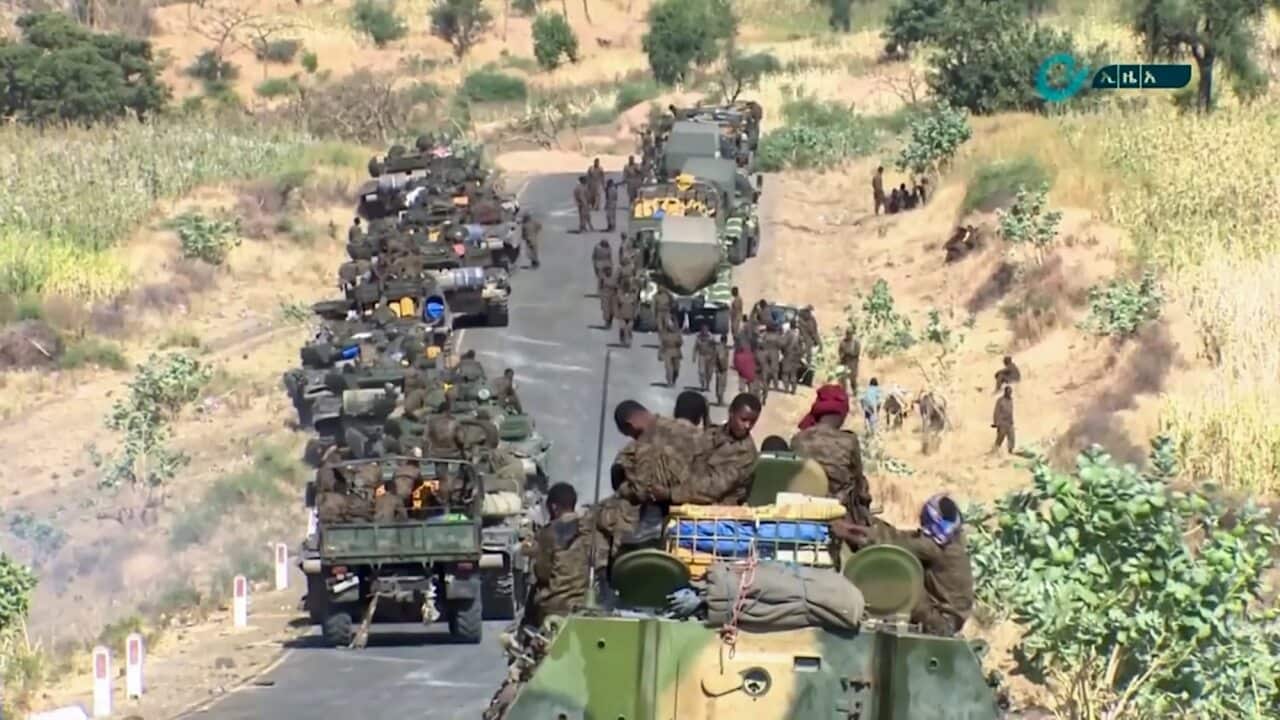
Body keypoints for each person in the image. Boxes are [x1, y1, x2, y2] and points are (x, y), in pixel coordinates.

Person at [831, 494, 974, 637]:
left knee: (896, 571)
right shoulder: (949, 543)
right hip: (945, 620)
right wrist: (865, 521)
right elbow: (899, 536)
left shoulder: (937, 549)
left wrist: (846, 531)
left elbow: (891, 546)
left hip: (939, 623)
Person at [790, 384, 870, 522]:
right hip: (837, 512)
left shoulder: (798, 439)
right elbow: (858, 479)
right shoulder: (849, 441)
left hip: (802, 509)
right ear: (841, 414)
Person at [527, 483, 591, 627]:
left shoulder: (548, 533)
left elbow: (542, 572)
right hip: (586, 602)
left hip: (555, 605)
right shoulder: (590, 530)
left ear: (554, 507)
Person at [838, 327, 861, 396]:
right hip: (844, 362)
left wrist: (848, 353)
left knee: (853, 379)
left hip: (853, 363)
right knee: (843, 379)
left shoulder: (856, 343)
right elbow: (840, 351)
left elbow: (857, 352)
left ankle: (855, 392)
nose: (848, 335)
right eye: (847, 334)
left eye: (850, 334)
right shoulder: (843, 342)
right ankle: (843, 393)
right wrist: (842, 355)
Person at [992, 385, 1015, 454]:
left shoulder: (1011, 400)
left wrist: (1012, 420)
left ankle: (1010, 450)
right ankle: (995, 450)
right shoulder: (1000, 400)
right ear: (1005, 392)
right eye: (1008, 392)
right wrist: (996, 423)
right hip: (1002, 422)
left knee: (1012, 437)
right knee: (1000, 437)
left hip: (1009, 422)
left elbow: (1011, 411)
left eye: (1010, 392)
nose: (1009, 393)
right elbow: (996, 412)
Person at [694, 326, 717, 391]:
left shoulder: (711, 337)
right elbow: (696, 347)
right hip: (702, 356)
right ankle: (702, 384)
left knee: (709, 372)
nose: (704, 331)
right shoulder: (698, 337)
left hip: (710, 356)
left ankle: (708, 385)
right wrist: (694, 356)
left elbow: (715, 348)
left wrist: (715, 358)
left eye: (705, 330)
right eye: (703, 330)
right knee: (701, 372)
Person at [712, 334, 731, 406]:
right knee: (721, 385)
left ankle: (720, 400)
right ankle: (720, 401)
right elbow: (721, 358)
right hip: (721, 369)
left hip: (721, 368)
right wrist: (723, 367)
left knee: (721, 384)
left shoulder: (721, 347)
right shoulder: (721, 348)